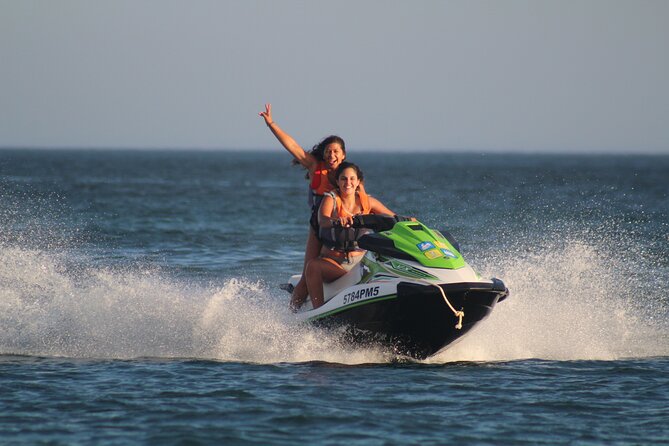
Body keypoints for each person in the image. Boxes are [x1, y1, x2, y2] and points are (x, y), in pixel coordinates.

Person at [258, 103, 350, 309]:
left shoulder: (349, 176)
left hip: (343, 228)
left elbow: (365, 201)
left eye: (336, 151)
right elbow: (293, 147)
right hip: (319, 228)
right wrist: (271, 123)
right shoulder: (316, 167)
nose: (331, 155)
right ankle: (293, 318)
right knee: (307, 275)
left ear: (343, 154)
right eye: (328, 151)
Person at [305, 162, 394, 309]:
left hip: (361, 263)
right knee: (312, 267)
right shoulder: (331, 199)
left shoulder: (368, 202)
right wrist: (337, 221)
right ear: (338, 182)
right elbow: (323, 220)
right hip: (335, 265)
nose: (348, 183)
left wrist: (409, 221)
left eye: (352, 179)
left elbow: (392, 217)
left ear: (358, 182)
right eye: (344, 179)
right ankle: (318, 314)